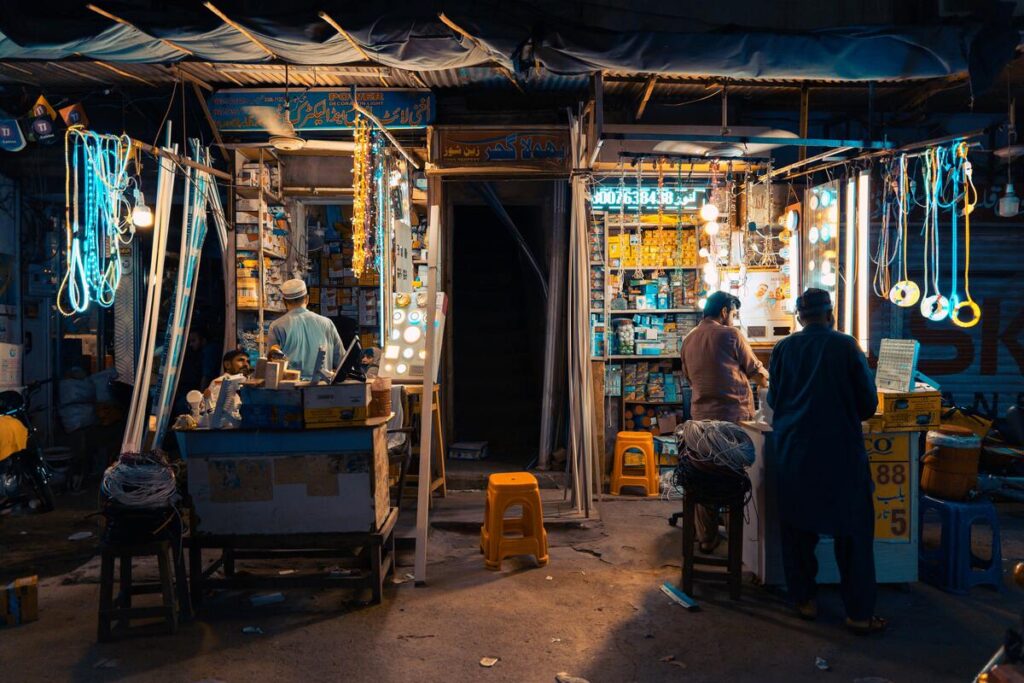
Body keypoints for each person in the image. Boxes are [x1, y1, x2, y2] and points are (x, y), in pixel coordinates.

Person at [766, 288, 883, 635]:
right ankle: (859, 614)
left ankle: (804, 601)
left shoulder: (783, 348)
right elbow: (868, 405)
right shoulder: (846, 346)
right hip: (840, 455)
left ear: (799, 317)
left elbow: (773, 399)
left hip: (795, 454)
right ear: (830, 314)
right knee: (854, 535)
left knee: (798, 533)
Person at [680, 291, 769, 552]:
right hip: (733, 423)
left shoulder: (688, 339)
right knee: (733, 479)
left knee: (704, 477)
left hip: (701, 424)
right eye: (733, 314)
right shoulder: (732, 335)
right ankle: (737, 539)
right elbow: (756, 372)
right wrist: (768, 383)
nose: (734, 318)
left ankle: (706, 538)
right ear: (723, 312)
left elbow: (689, 378)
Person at [267, 279, 343, 380]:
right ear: (307, 299)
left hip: (292, 386)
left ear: (284, 302)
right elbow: (342, 361)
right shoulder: (327, 323)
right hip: (322, 386)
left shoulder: (277, 326)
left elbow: (272, 365)